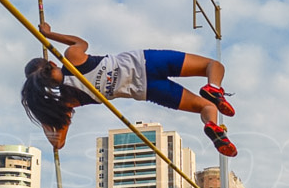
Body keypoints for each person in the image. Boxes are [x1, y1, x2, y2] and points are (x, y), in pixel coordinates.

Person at [22, 22, 238, 156]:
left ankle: (211, 124)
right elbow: (81, 41)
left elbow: (58, 143)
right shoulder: (72, 58)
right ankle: (213, 88)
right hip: (146, 61)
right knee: (214, 66)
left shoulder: (69, 99)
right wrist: (49, 34)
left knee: (206, 107)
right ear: (51, 64)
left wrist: (44, 113)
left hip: (147, 89)